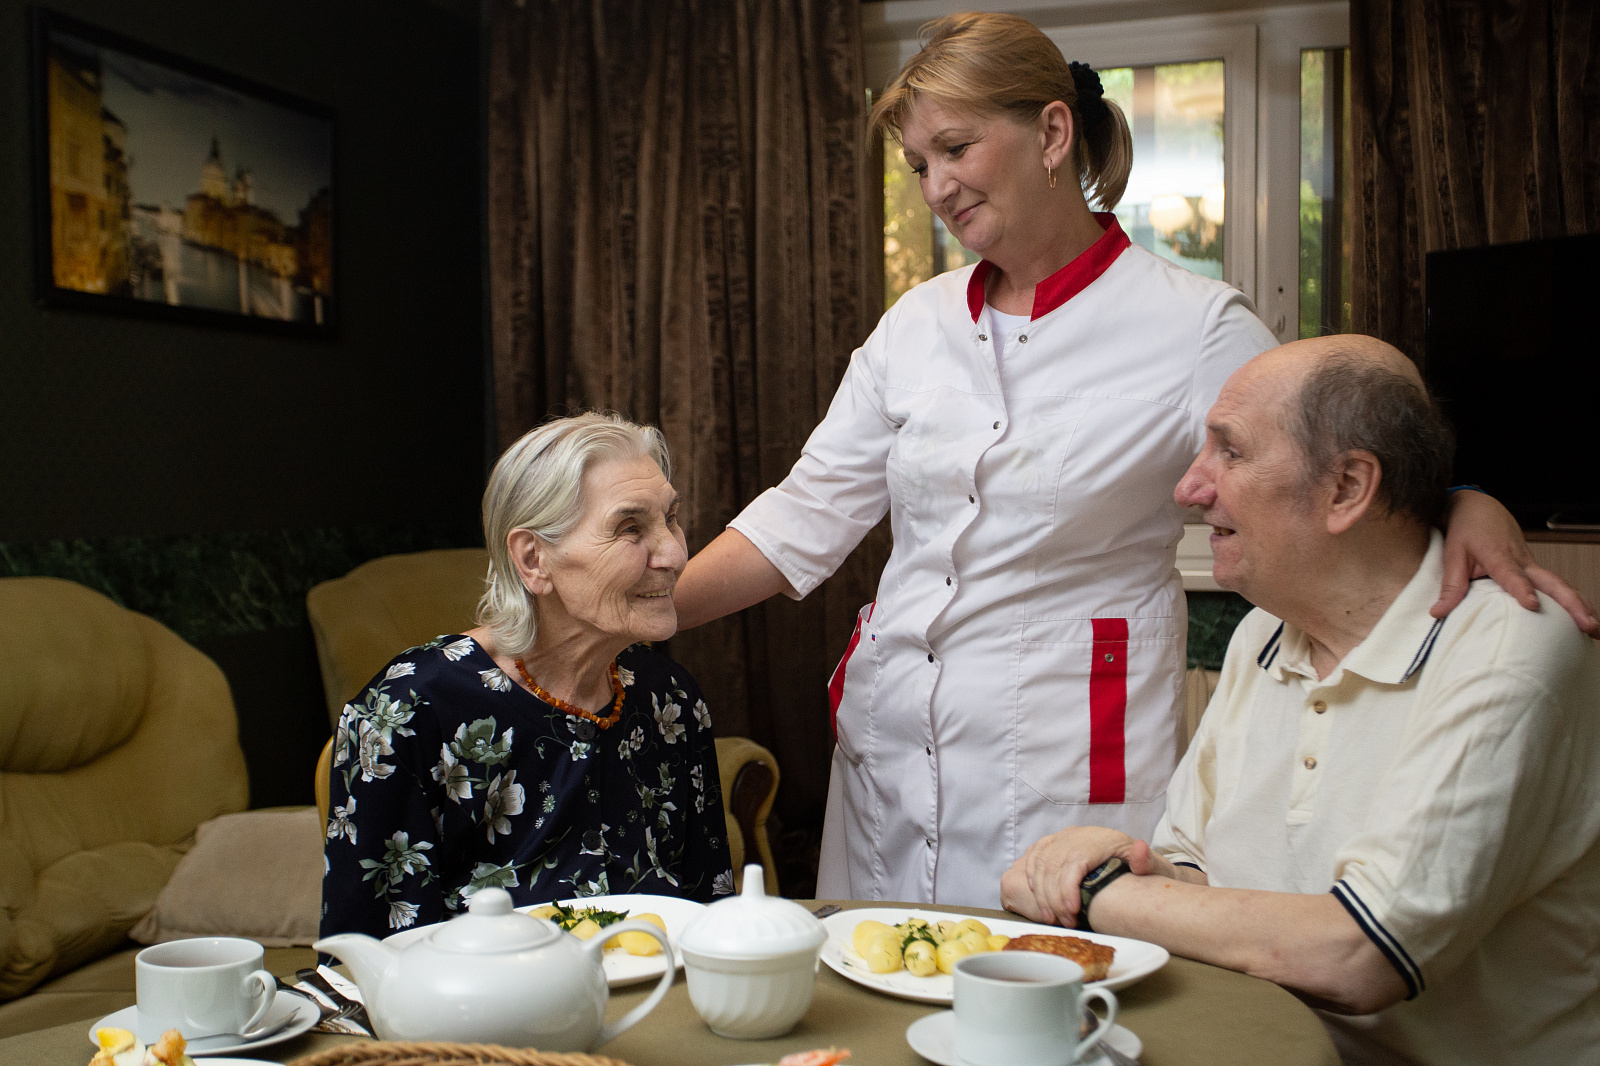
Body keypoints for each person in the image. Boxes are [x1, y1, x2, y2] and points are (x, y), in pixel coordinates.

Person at [671, 12, 1594, 908]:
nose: (936, 187)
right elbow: (803, 517)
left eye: (956, 149)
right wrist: (642, 613)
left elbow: (1332, 459)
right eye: (918, 165)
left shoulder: (1194, 327)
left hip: (1069, 756)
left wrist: (1464, 498)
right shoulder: (914, 326)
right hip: (892, 755)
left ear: (1052, 132)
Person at [1001, 336, 1600, 1064]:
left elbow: (1363, 953)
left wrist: (1097, 894)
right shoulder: (1266, 630)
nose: (1191, 486)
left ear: (1347, 488)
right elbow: (1194, 876)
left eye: (1231, 452)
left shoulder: (1510, 649)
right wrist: (1108, 862)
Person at [322, 413, 733, 938]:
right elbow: (363, 967)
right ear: (534, 559)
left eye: (671, 519)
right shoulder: (409, 712)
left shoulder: (668, 700)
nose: (676, 554)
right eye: (630, 528)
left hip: (662, 1008)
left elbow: (715, 924)